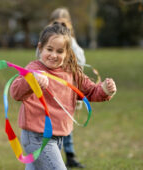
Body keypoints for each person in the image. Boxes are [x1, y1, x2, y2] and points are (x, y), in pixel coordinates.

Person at [10, 23, 117, 170]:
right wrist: (31, 81)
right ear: (40, 48)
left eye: (60, 51)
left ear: (67, 53)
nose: (54, 55)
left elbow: (91, 92)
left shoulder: (72, 73)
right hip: (37, 137)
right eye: (49, 49)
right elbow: (15, 92)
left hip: (57, 138)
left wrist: (105, 90)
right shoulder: (34, 69)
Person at [49, 7, 86, 168]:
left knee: (66, 121)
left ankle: (70, 154)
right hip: (50, 88)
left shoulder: (72, 42)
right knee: (51, 122)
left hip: (67, 89)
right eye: (55, 23)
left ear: (69, 24)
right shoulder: (47, 39)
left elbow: (80, 61)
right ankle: (51, 154)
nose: (59, 26)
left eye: (63, 23)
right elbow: (40, 56)